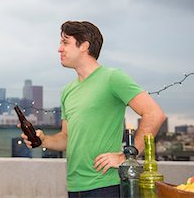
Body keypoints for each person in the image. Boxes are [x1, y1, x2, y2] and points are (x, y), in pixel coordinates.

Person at [20, 20, 166, 198]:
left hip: (106, 186)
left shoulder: (112, 78)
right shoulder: (68, 91)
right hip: (75, 187)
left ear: (84, 46)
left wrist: (127, 157)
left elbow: (154, 114)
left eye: (65, 42)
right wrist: (43, 140)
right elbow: (66, 137)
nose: (59, 49)